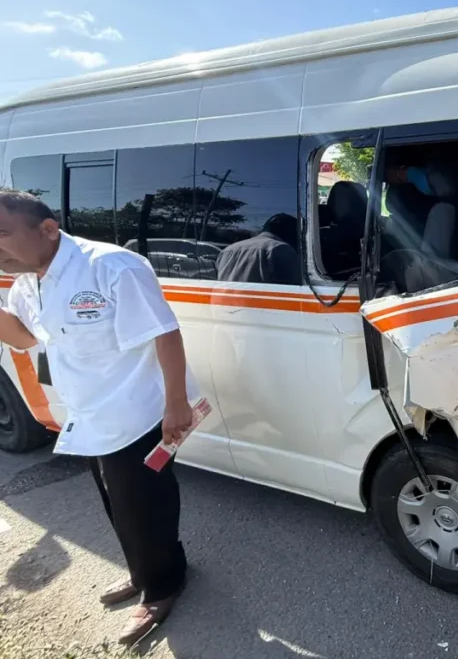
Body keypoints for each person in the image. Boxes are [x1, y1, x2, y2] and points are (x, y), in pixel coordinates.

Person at [0, 190, 199, 646]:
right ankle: (144, 570)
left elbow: (164, 333)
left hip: (136, 413)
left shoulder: (110, 267)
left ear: (47, 230)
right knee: (118, 505)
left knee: (146, 507)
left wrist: (176, 405)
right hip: (89, 415)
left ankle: (162, 588)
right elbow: (24, 337)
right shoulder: (29, 283)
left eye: (3, 235)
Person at [215, 212, 302, 285]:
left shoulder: (227, 250)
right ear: (291, 233)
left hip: (223, 304)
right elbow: (291, 289)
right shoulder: (280, 249)